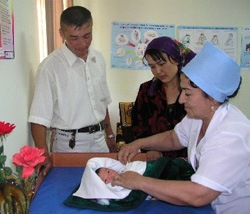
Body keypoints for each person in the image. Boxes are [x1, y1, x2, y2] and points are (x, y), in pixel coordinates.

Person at [114, 42, 250, 214]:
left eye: (187, 93)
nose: (181, 100)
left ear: (213, 98)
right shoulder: (199, 116)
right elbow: (174, 138)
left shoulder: (231, 135)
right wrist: (138, 143)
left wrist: (140, 182)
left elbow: (199, 194)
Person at [28, 6, 117, 176]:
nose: (82, 44)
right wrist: (43, 155)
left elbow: (101, 101)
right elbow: (38, 119)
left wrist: (110, 135)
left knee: (105, 188)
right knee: (68, 190)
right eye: (74, 38)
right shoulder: (50, 67)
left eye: (87, 36)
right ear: (62, 34)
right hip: (69, 144)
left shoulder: (98, 59)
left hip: (99, 140)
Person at [131, 36, 196, 160]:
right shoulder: (147, 90)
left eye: (161, 64)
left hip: (188, 160)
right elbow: (137, 126)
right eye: (152, 66)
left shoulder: (192, 90)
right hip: (154, 159)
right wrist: (151, 149)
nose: (158, 71)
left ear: (176, 59)